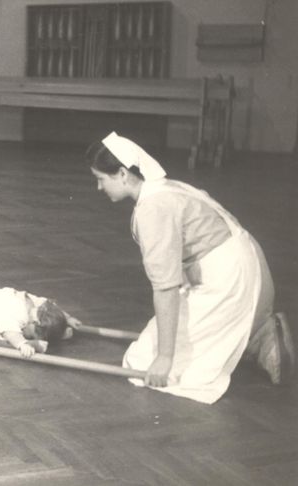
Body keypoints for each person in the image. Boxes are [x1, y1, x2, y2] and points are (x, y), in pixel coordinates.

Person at [87, 131, 295, 404]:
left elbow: (166, 288)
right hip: (248, 269)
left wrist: (165, 358)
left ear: (123, 174)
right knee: (163, 341)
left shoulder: (153, 208)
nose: (99, 188)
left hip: (230, 282)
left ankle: (257, 336)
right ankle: (258, 334)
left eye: (101, 179)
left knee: (142, 362)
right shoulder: (167, 187)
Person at [0, 287, 77, 358]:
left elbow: (52, 307)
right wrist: (22, 344)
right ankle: (32, 343)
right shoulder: (16, 314)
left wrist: (67, 318)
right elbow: (10, 333)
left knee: (22, 329)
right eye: (33, 334)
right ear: (34, 322)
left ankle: (57, 332)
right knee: (1, 336)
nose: (29, 333)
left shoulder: (39, 305)